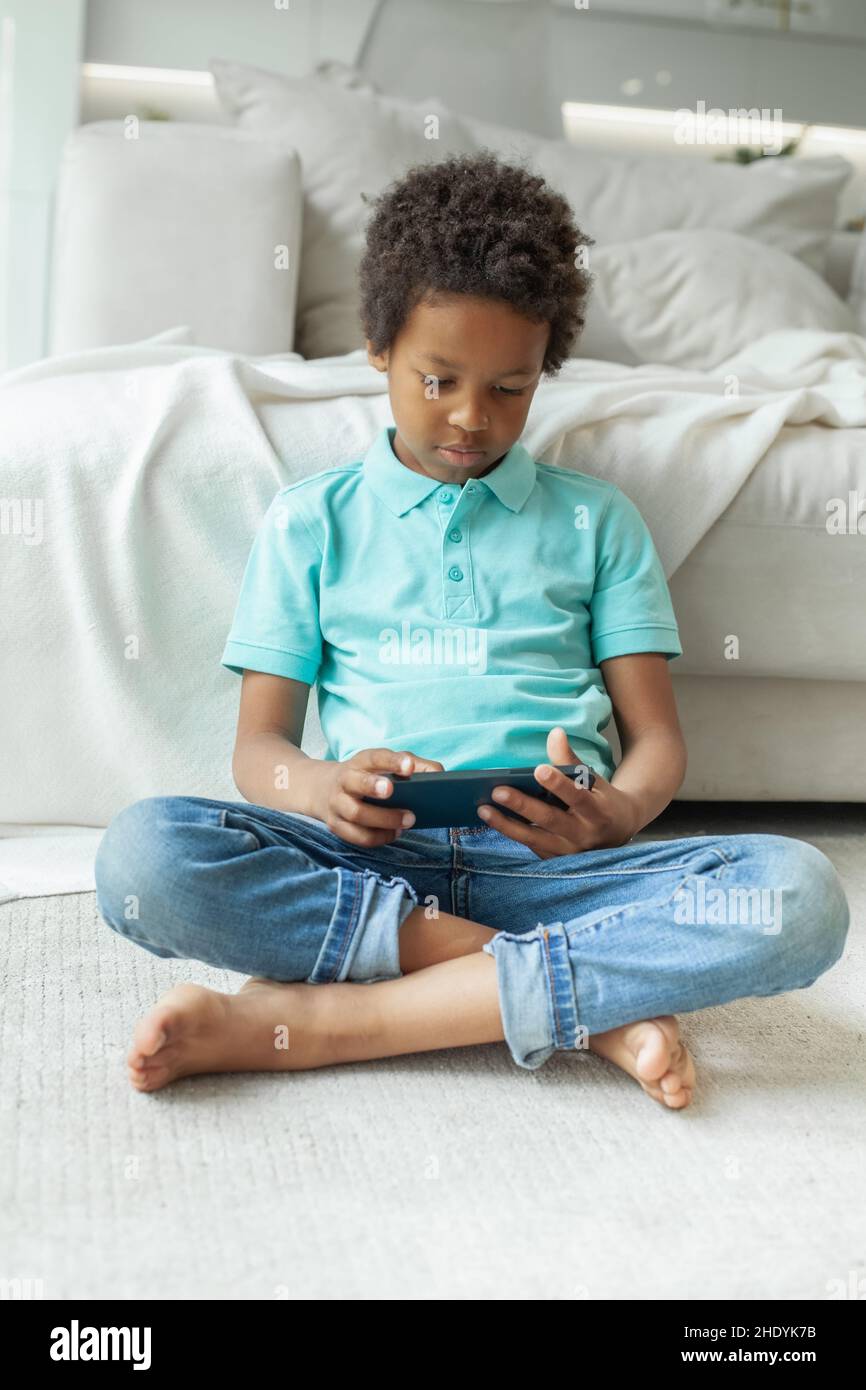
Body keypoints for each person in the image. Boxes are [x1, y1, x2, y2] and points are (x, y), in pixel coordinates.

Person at [93, 150, 850, 1105]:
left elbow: (656, 740)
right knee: (143, 855)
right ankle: (592, 1010)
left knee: (800, 895)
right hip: (371, 863)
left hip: (556, 870)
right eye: (438, 379)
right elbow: (259, 749)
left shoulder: (597, 521)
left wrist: (615, 811)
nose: (470, 417)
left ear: (545, 371)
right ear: (378, 347)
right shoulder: (310, 522)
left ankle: (323, 1023)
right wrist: (324, 786)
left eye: (510, 387)